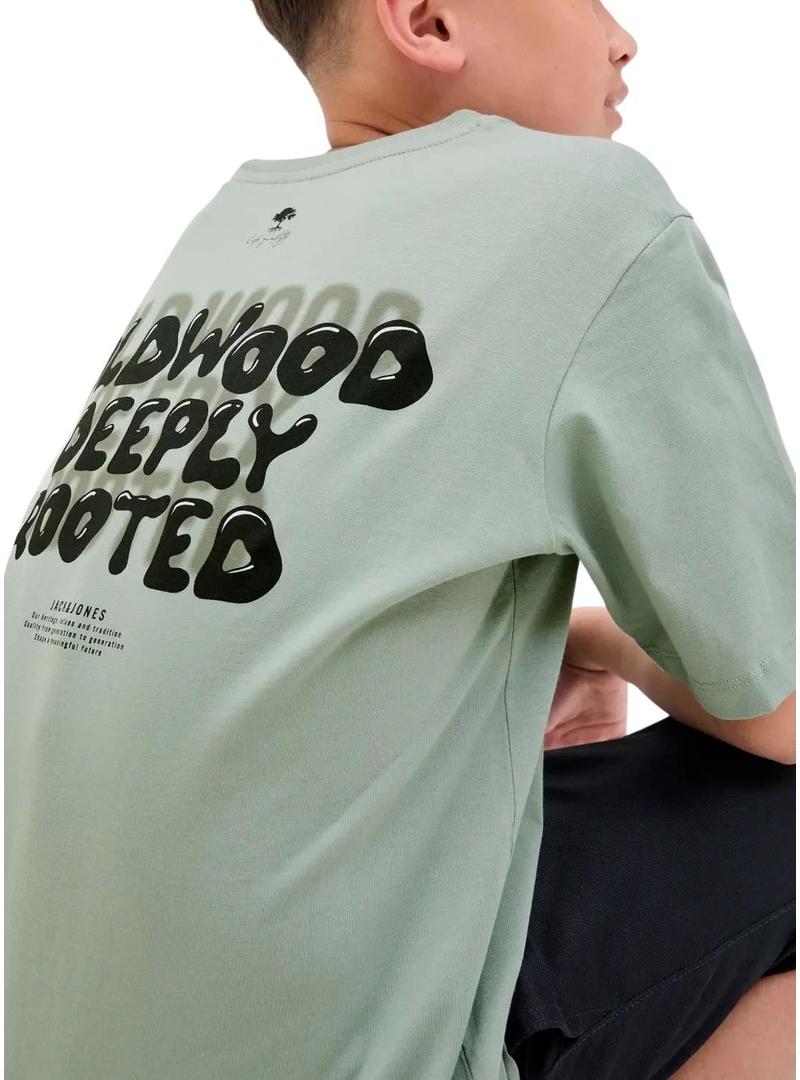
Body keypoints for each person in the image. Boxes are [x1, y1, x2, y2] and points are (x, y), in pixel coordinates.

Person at [4, 0, 795, 1077]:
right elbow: (779, 705)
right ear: (425, 19)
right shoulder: (588, 207)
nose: (623, 37)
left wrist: (535, 655)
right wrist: (610, 644)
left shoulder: (229, 234)